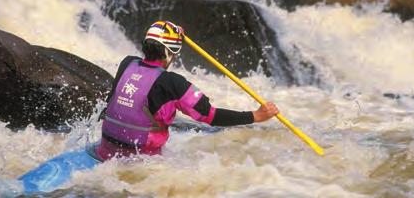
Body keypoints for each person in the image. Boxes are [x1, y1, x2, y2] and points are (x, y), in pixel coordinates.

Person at [95, 21, 279, 160]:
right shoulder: (173, 83)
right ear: (169, 53)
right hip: (142, 162)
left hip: (104, 152)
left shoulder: (127, 64)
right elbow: (211, 116)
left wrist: (173, 32)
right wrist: (255, 116)